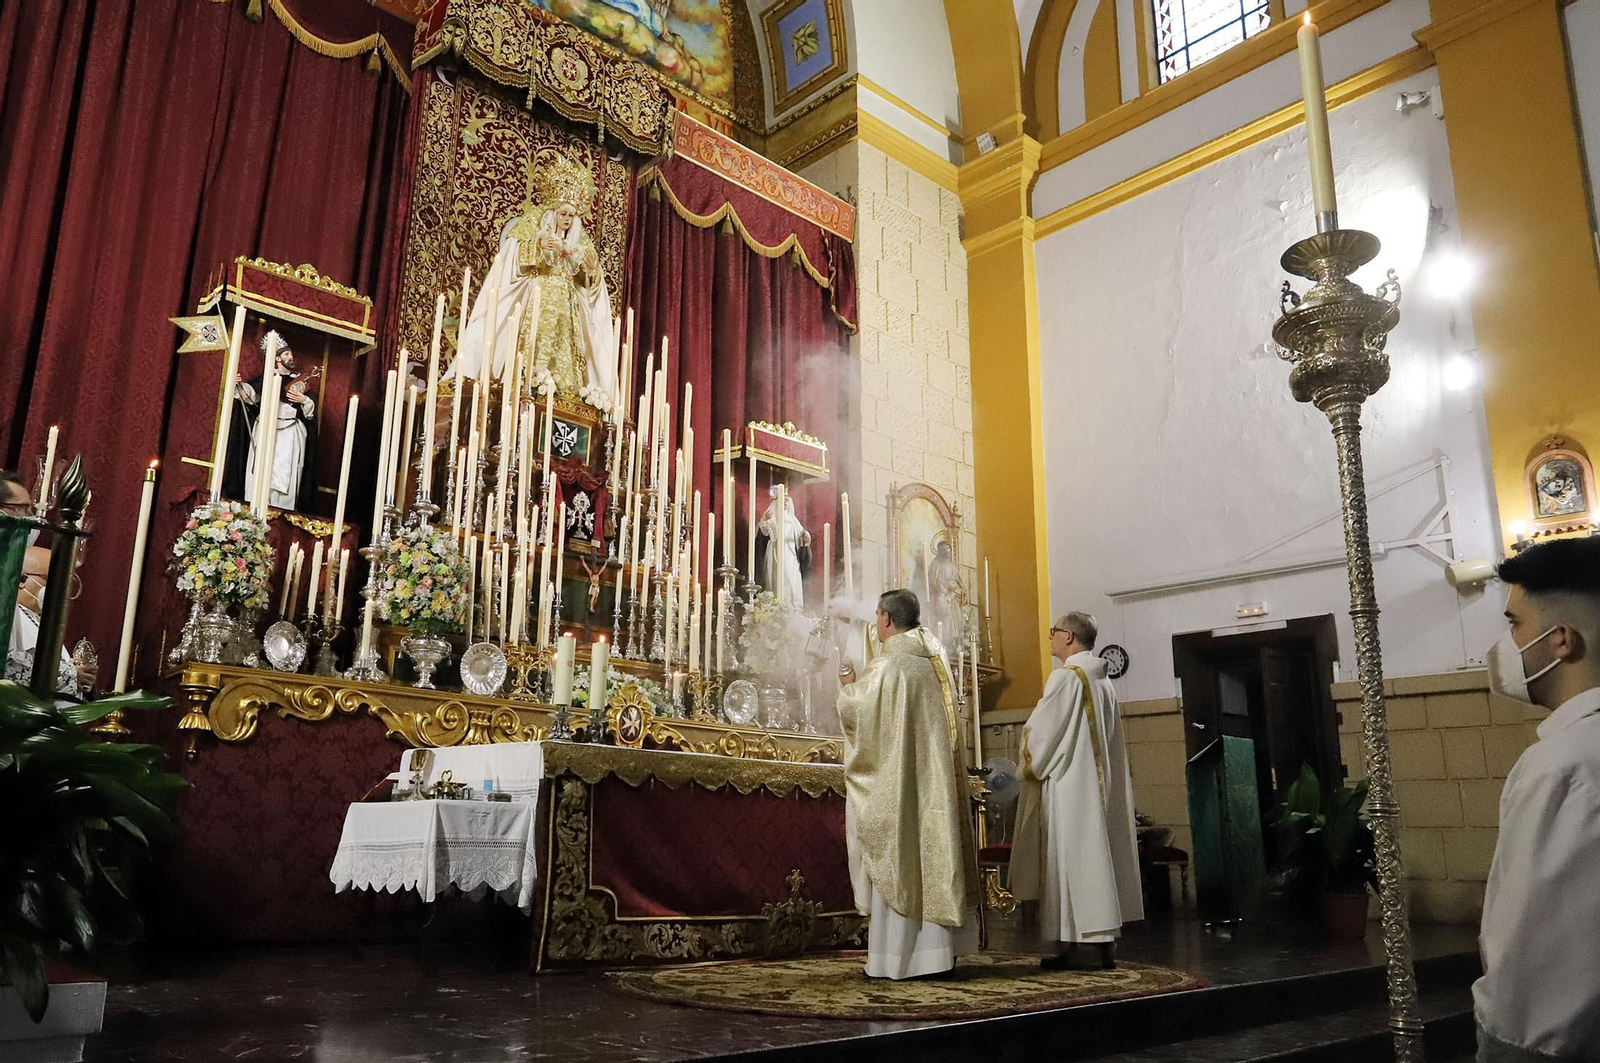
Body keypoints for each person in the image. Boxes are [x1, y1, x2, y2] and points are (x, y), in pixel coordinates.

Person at [1473, 537, 1600, 1063]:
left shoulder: (1564, 767)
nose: (1506, 644)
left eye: (1513, 624)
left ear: (1562, 640)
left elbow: (1538, 960)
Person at [836, 588, 978, 979]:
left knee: (899, 854)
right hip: (935, 785)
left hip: (899, 785)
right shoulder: (935, 657)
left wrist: (847, 682)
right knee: (932, 854)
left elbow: (858, 715)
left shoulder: (889, 666)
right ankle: (938, 956)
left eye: (877, 615)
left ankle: (896, 960)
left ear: (886, 619)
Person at [1011, 611, 1142, 969]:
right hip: (1097, 787)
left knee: (1069, 861)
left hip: (1069, 787)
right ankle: (1097, 945)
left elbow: (1043, 734)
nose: (1050, 638)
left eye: (1053, 632)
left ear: (1068, 636)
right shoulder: (1103, 681)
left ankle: (1078, 944)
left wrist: (1025, 763)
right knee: (1094, 859)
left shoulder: (1066, 679)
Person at [454, 150, 616, 405]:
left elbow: (590, 282)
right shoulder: (535, 225)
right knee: (535, 342)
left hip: (567, 303)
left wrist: (592, 269)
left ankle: (565, 395)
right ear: (553, 213)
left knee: (565, 346)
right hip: (539, 295)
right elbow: (512, 258)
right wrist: (541, 249)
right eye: (563, 214)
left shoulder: (579, 239)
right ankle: (530, 384)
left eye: (571, 216)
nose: (567, 220)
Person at [222, 338, 317, 510]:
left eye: (291, 353)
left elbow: (310, 413)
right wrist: (239, 385)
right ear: (277, 358)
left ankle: (282, 511)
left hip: (289, 435)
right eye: (286, 354)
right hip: (266, 430)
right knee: (260, 471)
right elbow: (251, 396)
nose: (291, 357)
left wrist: (304, 400)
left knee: (286, 477)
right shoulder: (265, 378)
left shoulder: (299, 381)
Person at [7, 546, 92, 694]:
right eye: (50, 579)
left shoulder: (39, 620)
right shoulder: (10, 616)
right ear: (22, 579)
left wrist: (77, 670)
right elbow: (11, 666)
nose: (59, 587)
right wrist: (71, 674)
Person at [757, 485, 808, 610]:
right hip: (776, 553)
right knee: (778, 579)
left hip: (790, 554)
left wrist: (805, 537)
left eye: (787, 500)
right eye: (782, 500)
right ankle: (778, 607)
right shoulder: (772, 518)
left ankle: (792, 608)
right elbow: (764, 531)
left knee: (792, 579)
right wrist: (764, 520)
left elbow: (802, 534)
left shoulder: (792, 519)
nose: (785, 503)